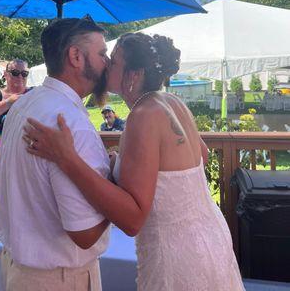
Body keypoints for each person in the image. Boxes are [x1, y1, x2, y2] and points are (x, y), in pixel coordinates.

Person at [23, 32, 244, 291]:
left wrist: (67, 158)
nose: (106, 64)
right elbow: (200, 156)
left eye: (113, 61)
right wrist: (126, 165)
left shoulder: (143, 115)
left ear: (134, 74)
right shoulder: (172, 102)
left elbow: (131, 220)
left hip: (174, 251)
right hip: (211, 233)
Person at [0, 18, 111, 291]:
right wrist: (114, 188)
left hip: (18, 270)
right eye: (102, 54)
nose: (107, 62)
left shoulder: (26, 104)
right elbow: (84, 233)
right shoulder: (68, 121)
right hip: (59, 279)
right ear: (76, 56)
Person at [0, 59, 30, 199]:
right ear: (5, 75)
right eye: (15, 72)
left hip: (23, 163)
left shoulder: (33, 94)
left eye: (24, 73)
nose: (20, 77)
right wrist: (8, 102)